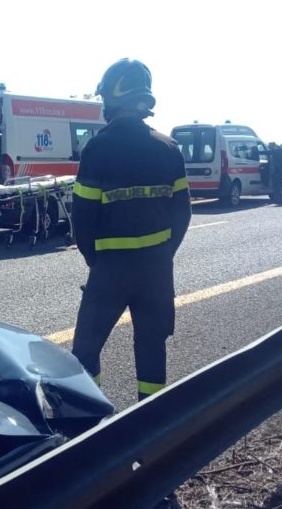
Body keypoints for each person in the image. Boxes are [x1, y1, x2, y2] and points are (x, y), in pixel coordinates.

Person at [71, 58, 192, 402]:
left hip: (110, 269)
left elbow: (82, 218)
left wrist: (96, 259)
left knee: (85, 350)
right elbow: (182, 213)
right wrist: (163, 253)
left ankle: (94, 425)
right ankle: (151, 423)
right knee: (152, 349)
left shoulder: (98, 147)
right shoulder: (168, 148)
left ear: (113, 96)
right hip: (156, 270)